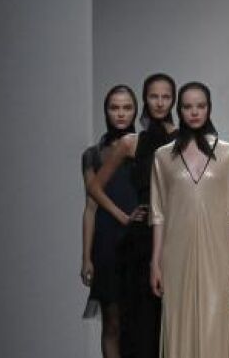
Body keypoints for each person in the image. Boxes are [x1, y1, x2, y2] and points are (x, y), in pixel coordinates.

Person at [149, 82, 229, 358]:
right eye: (188, 107)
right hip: (175, 253)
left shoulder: (228, 153)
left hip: (217, 252)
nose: (194, 112)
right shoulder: (163, 156)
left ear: (209, 109)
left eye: (200, 106)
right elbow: (158, 213)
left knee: (214, 322)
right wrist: (155, 262)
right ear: (179, 110)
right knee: (177, 321)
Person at [88, 73, 177, 358]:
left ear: (173, 100)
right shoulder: (131, 142)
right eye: (153, 96)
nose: (159, 102)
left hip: (176, 236)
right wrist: (124, 216)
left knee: (171, 322)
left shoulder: (183, 140)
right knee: (138, 322)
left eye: (165, 96)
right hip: (140, 241)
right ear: (145, 100)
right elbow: (94, 187)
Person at [81, 84, 139, 358]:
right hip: (107, 241)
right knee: (112, 321)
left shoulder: (144, 149)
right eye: (114, 108)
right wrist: (86, 258)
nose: (121, 114)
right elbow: (90, 207)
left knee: (138, 322)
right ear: (106, 111)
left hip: (139, 240)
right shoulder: (93, 155)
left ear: (135, 111)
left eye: (127, 108)